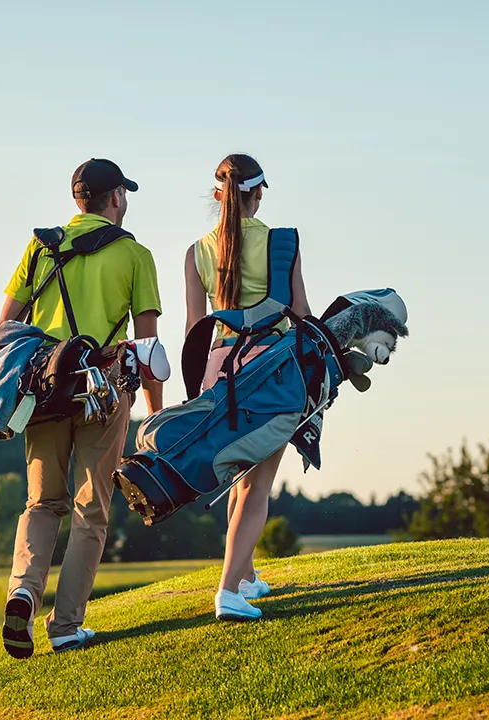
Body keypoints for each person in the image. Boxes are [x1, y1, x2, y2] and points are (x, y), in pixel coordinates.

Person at [0, 158, 164, 656]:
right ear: (115, 198)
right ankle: (66, 625)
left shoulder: (40, 247)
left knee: (42, 502)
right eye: (124, 193)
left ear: (78, 200)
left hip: (44, 390)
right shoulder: (135, 254)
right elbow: (147, 349)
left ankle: (23, 592)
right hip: (104, 389)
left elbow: (4, 328)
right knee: (91, 510)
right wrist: (154, 417)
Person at [184, 153, 311, 621]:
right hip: (270, 369)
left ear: (218, 195)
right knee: (258, 486)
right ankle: (227, 593)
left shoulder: (196, 251)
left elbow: (195, 329)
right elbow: (301, 314)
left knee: (239, 477)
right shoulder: (283, 243)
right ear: (257, 194)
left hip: (219, 368)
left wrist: (197, 392)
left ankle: (245, 577)